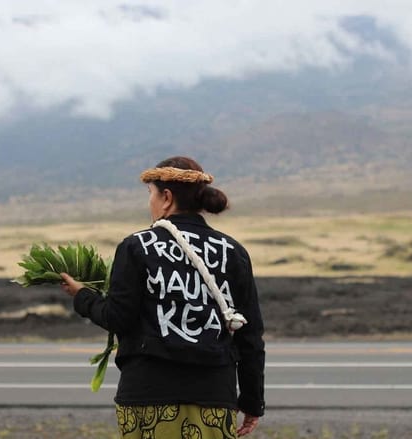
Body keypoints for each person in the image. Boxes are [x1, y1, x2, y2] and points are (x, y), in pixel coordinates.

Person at [60, 156, 265, 438]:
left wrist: (81, 295)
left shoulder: (136, 246)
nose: (151, 203)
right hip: (215, 397)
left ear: (166, 197)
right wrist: (253, 401)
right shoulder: (233, 251)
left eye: (151, 194)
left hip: (147, 396)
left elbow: (117, 317)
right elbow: (250, 337)